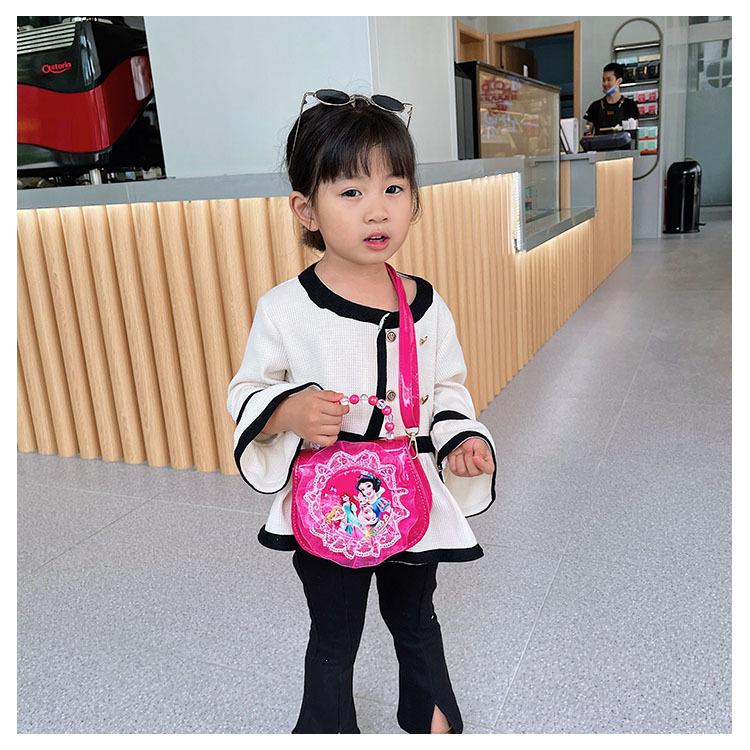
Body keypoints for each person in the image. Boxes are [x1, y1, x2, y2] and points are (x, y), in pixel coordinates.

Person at [226, 89, 497, 734]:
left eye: (394, 188)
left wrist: (461, 436)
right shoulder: (285, 310)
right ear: (306, 209)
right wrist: (288, 411)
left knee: (415, 615)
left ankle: (430, 717)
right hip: (327, 500)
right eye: (351, 191)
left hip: (410, 489)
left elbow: (447, 387)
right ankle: (327, 728)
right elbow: (247, 389)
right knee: (334, 629)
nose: (378, 209)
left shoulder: (425, 303)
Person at [584, 62, 640, 135]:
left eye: (609, 80)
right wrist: (587, 131)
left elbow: (634, 133)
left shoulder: (630, 105)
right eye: (603, 80)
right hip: (600, 142)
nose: (605, 83)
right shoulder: (595, 106)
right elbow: (588, 130)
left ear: (619, 81)